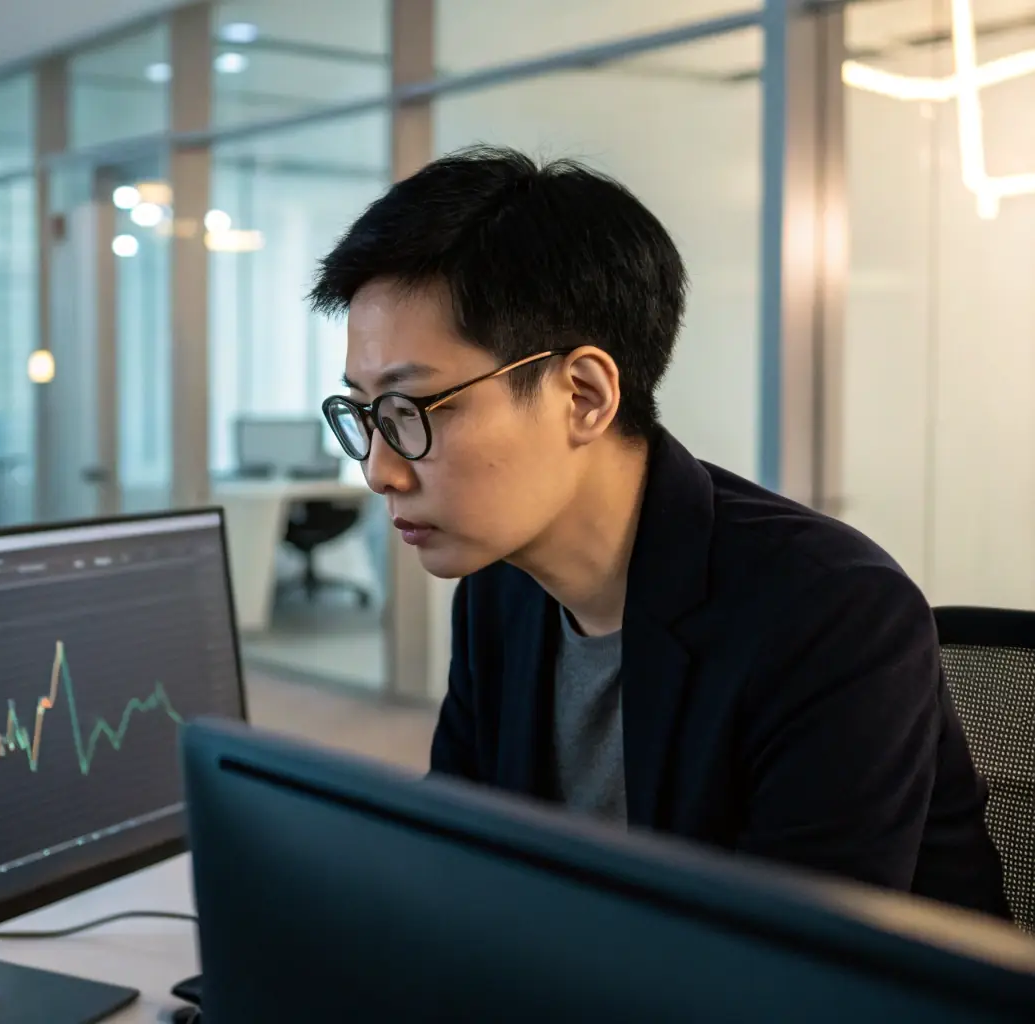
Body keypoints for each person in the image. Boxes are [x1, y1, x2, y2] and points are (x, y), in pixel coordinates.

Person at [310, 146, 1009, 918]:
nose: (379, 470)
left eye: (411, 411)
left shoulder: (830, 614)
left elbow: (794, 975)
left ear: (582, 395)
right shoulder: (499, 586)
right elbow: (455, 851)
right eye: (366, 414)